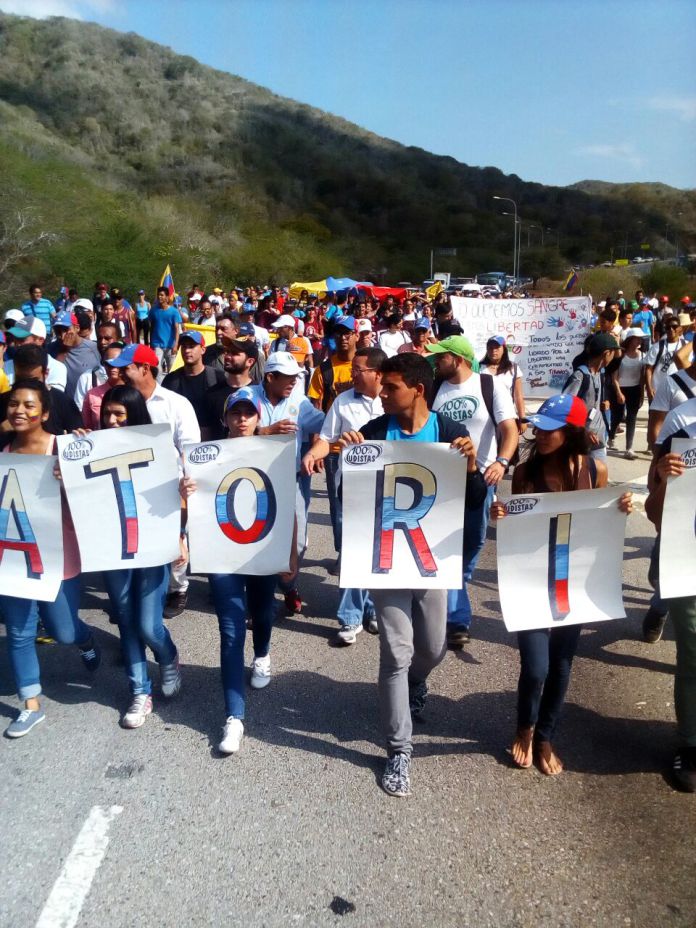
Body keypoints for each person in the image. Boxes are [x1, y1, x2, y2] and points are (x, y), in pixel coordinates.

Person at [339, 353, 487, 797]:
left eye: (390, 388)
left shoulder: (449, 432)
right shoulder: (376, 432)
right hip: (386, 560)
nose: (381, 394)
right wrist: (348, 461)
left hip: (430, 559)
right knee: (395, 652)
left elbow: (474, 500)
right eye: (381, 387)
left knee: (434, 647)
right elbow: (354, 499)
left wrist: (473, 467)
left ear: (418, 390)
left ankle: (417, 683)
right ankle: (399, 750)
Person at [492, 394, 632, 775]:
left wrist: (620, 509)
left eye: (550, 429)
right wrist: (502, 514)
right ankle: (524, 726)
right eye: (538, 427)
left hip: (575, 583)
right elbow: (516, 528)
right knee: (536, 666)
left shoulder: (595, 471)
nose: (540, 434)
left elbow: (604, 521)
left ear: (572, 432)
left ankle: (545, 736)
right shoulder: (525, 473)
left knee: (562, 664)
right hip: (533, 581)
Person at [181, 389, 298, 754]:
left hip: (261, 548)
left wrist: (291, 552)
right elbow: (191, 504)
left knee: (262, 612)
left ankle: (262, 652)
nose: (242, 419)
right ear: (226, 418)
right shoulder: (206, 456)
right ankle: (234, 716)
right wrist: (185, 494)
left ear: (258, 416)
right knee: (230, 630)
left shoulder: (274, 451)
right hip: (223, 552)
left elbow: (288, 502)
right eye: (236, 413)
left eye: (249, 413)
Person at [0, 379, 100, 738]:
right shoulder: (2, 451)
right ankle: (30, 705)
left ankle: (86, 638)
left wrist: (71, 478)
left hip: (59, 555)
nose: (20, 411)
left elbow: (96, 499)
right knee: (20, 632)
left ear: (44, 413)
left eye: (29, 405)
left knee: (62, 629)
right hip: (12, 556)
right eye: (14, 404)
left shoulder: (67, 448)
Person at [93, 384, 184, 728]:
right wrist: (69, 464)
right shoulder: (92, 447)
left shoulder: (160, 447)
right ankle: (139, 691)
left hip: (151, 544)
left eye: (120, 413)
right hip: (110, 547)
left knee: (148, 623)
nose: (112, 420)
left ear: (135, 413)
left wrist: (180, 535)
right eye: (108, 413)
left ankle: (169, 656)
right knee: (127, 621)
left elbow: (174, 497)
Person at [426, 335, 518, 647]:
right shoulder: (434, 388)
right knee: (445, 545)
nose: (436, 362)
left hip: (480, 480)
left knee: (471, 545)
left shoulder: (489, 385)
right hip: (441, 480)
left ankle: (455, 596)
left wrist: (502, 462)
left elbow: (510, 430)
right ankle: (456, 617)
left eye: (442, 357)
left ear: (460, 358)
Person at [107, 343, 201, 617]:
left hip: (168, 488)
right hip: (128, 485)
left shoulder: (175, 404)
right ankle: (138, 599)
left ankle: (178, 590)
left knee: (174, 544)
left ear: (145, 369)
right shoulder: (117, 403)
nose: (120, 374)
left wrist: (186, 490)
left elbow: (189, 449)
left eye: (126, 368)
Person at [302, 347, 386, 643]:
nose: (352, 374)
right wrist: (315, 452)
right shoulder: (343, 401)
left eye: (358, 370)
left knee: (380, 550)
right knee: (353, 549)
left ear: (378, 373)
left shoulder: (394, 401)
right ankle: (350, 618)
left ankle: (374, 609)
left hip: (390, 489)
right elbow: (326, 438)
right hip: (351, 487)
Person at [243, 352, 324, 614]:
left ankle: (289, 585)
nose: (293, 382)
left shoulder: (300, 403)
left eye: (296, 377)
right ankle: (259, 599)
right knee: (257, 540)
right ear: (270, 377)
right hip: (253, 482)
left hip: (292, 482)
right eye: (287, 378)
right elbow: (230, 428)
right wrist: (263, 431)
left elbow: (326, 425)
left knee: (297, 543)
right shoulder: (246, 397)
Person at [645, 397, 696, 792]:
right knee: (693, 654)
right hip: (687, 563)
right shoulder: (682, 422)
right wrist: (663, 479)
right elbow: (655, 512)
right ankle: (691, 744)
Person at [308, 315, 358, 570]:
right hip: (335, 450)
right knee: (338, 506)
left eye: (348, 332)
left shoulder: (369, 365)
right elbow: (316, 410)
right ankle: (345, 554)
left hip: (371, 449)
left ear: (356, 335)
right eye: (338, 333)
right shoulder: (324, 369)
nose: (343, 337)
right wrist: (315, 448)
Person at [0, 345, 82, 435]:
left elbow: (77, 440)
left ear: (46, 373)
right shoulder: (3, 400)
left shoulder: (64, 402)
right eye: (21, 379)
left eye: (33, 380)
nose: (26, 385)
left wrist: (77, 436)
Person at [561, 332, 618, 461]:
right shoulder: (580, 376)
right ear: (607, 353)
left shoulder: (601, 373)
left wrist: (605, 401)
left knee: (599, 478)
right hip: (580, 441)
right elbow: (565, 408)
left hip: (599, 440)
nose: (614, 356)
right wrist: (583, 431)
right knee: (579, 479)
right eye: (613, 352)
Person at [162, 330, 225, 438]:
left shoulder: (218, 377)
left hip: (213, 441)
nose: (187, 350)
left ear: (203, 350)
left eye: (191, 346)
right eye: (184, 346)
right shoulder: (171, 380)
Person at [47, 310, 101, 401]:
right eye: (58, 331)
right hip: (60, 404)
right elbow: (50, 377)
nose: (62, 335)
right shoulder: (50, 349)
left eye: (66, 329)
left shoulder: (93, 348)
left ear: (77, 328)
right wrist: (64, 351)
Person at [4, 315, 67, 392]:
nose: (17, 344)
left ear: (40, 340)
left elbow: (55, 400)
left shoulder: (57, 368)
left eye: (22, 339)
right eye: (15, 339)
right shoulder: (5, 367)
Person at [608, 328, 644, 458]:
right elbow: (614, 377)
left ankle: (629, 448)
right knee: (617, 416)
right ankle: (611, 435)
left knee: (632, 418)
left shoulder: (642, 355)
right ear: (630, 339)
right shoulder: (620, 355)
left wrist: (641, 393)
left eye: (640, 338)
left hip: (634, 389)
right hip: (620, 388)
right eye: (636, 338)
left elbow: (642, 377)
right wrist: (618, 393)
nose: (639, 340)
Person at [72, 321, 121, 413]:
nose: (102, 342)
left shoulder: (129, 374)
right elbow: (79, 412)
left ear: (119, 340)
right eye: (99, 338)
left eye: (107, 338)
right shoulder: (87, 378)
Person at [479, 335, 526, 430]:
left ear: (504, 349)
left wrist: (522, 419)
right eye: (490, 348)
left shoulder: (513, 368)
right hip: (485, 419)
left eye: (497, 347)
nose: (493, 350)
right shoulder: (479, 368)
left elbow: (518, 396)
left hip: (507, 417)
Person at [81, 343, 123, 429]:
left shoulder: (135, 392)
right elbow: (87, 427)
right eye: (108, 363)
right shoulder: (92, 394)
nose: (113, 367)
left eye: (117, 362)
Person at [149, 286, 182, 376]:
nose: (159, 297)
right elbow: (151, 327)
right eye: (158, 295)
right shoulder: (153, 310)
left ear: (167, 297)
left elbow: (177, 329)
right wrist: (151, 343)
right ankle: (159, 387)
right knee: (156, 368)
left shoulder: (174, 312)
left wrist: (176, 345)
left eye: (162, 295)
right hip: (157, 345)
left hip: (170, 345)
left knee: (172, 371)